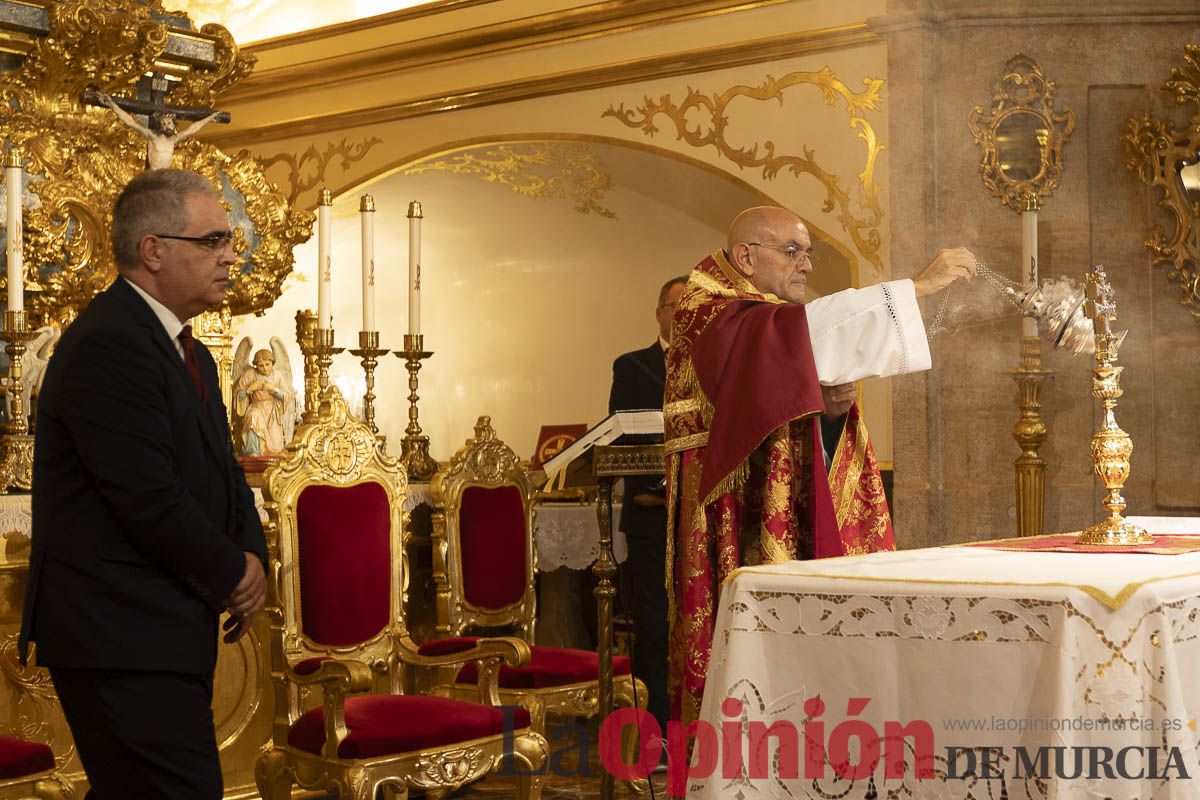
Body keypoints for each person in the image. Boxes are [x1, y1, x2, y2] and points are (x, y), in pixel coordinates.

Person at [665, 206, 976, 726]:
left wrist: (828, 414)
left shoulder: (761, 314)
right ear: (746, 256)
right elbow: (776, 339)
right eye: (792, 251)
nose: (806, 265)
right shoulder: (708, 307)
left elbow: (783, 383)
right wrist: (915, 288)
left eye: (808, 252)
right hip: (729, 517)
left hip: (784, 509)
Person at [18, 169, 268, 799]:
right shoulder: (109, 343)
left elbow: (224, 471)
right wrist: (232, 572)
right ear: (153, 250)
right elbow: (147, 496)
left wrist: (253, 556)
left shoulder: (192, 351)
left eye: (228, 240)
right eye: (212, 241)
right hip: (117, 634)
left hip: (158, 632)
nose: (230, 256)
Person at [608, 274, 687, 746]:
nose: (684, 315)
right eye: (676, 307)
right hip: (649, 515)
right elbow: (619, 433)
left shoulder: (716, 366)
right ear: (659, 313)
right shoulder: (632, 367)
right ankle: (655, 733)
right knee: (655, 629)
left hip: (699, 520)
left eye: (693, 307)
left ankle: (700, 729)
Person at [96, 92, 222, 170]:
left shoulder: (174, 139)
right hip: (153, 173)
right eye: (164, 124)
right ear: (160, 127)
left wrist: (209, 118)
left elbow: (193, 128)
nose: (167, 126)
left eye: (169, 123)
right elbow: (130, 122)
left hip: (164, 176)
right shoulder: (153, 136)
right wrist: (112, 105)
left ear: (174, 125)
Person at [234, 347, 295, 457]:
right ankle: (253, 452)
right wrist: (249, 389)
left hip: (272, 412)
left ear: (272, 363)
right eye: (261, 365)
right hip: (256, 407)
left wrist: (273, 389)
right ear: (256, 365)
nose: (265, 368)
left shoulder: (277, 376)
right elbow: (237, 395)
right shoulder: (250, 375)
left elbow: (287, 396)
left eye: (267, 364)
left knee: (276, 448)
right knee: (253, 417)